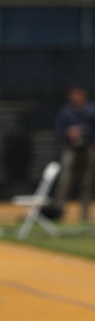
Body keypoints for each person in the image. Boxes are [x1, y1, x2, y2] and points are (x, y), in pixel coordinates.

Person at [53, 83, 95, 221]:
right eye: (73, 94)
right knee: (65, 181)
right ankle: (59, 212)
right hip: (70, 149)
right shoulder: (65, 111)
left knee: (86, 183)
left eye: (79, 93)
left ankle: (85, 214)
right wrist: (68, 133)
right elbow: (58, 130)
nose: (76, 97)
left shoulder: (91, 110)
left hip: (88, 150)